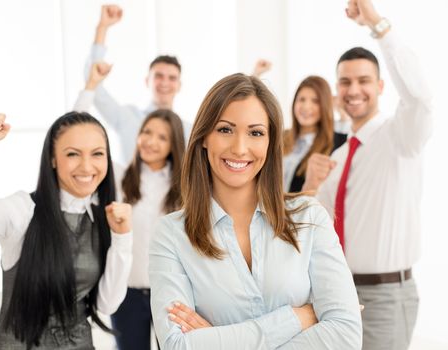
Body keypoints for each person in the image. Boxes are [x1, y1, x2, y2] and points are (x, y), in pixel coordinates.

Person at [148, 73, 362, 349]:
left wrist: (217, 339)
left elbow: (346, 336)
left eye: (256, 133)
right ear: (203, 137)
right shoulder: (171, 234)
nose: (239, 148)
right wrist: (299, 317)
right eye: (225, 129)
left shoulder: (309, 217)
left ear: (271, 142)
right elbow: (177, 345)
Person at [303, 1, 433, 349]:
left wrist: (377, 25)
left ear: (380, 87)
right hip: (338, 294)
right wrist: (310, 186)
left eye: (363, 81)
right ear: (336, 91)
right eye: (345, 82)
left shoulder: (400, 137)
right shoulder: (339, 156)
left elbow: (420, 96)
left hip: (386, 296)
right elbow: (317, 229)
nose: (353, 90)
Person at [0, 112, 133, 349]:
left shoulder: (106, 217)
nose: (87, 166)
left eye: (97, 154)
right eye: (72, 154)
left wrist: (122, 238)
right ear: (53, 159)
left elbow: (107, 305)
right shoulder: (22, 210)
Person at [74, 4, 192, 164]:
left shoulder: (189, 131)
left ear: (179, 85)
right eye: (158, 76)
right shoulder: (127, 117)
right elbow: (93, 82)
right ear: (147, 81)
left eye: (172, 78)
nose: (165, 82)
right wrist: (102, 28)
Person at [111, 109, 185, 350]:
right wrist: (91, 87)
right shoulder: (118, 177)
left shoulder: (186, 187)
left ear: (174, 144)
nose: (151, 141)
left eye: (162, 137)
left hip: (172, 295)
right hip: (128, 295)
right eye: (146, 132)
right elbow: (75, 135)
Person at [283, 76, 347, 192]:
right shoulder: (281, 137)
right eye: (302, 99)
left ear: (325, 105)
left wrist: (340, 108)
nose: (306, 107)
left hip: (300, 208)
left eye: (315, 101)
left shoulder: (335, 143)